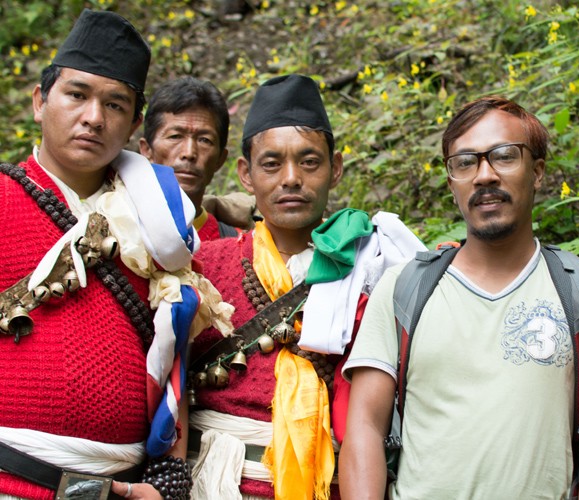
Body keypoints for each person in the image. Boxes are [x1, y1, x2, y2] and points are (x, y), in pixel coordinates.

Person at [338, 96, 579, 499]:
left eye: (505, 156)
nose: (484, 175)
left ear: (538, 171)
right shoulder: (403, 290)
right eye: (465, 162)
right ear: (452, 181)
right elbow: (365, 427)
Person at [0, 8, 230, 500]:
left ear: (133, 124)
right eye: (77, 95)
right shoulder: (3, 198)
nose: (93, 118)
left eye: (115, 105)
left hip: (121, 487)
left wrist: (168, 480)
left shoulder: (161, 226)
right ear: (41, 102)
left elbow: (174, 358)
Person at [188, 74, 424, 499]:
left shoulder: (374, 267)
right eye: (272, 163)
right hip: (217, 484)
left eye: (309, 161)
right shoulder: (205, 266)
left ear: (335, 169)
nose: (292, 178)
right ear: (245, 173)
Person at [139, 76, 253, 241]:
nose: (189, 153)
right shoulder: (115, 232)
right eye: (175, 136)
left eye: (204, 140)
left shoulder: (240, 247)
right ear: (146, 150)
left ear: (220, 159)